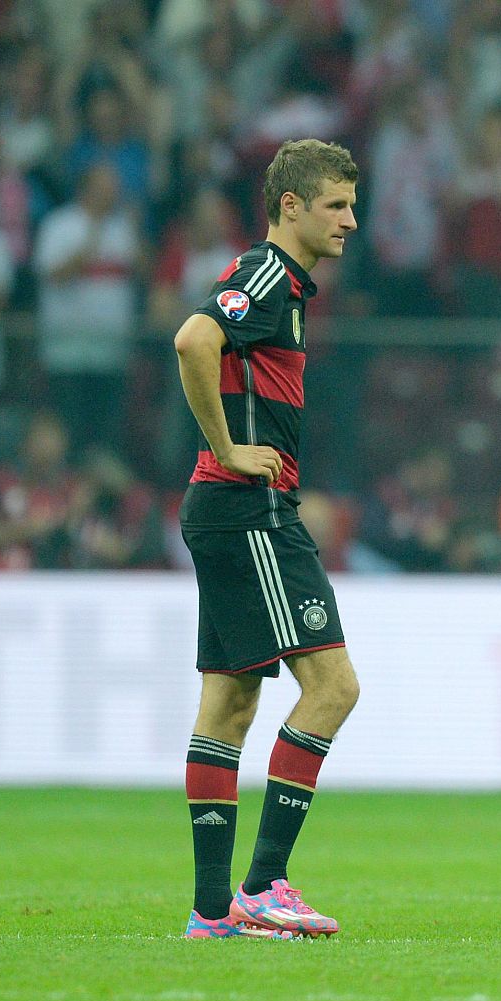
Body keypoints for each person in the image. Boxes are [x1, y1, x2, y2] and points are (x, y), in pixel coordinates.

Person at [173, 140, 362, 940]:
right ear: (291, 205)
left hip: (225, 508)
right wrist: (223, 446)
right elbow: (192, 339)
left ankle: (212, 913)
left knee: (231, 699)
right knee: (332, 687)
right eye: (335, 205)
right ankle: (264, 884)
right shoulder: (264, 276)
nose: (351, 220)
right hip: (250, 506)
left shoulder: (288, 287)